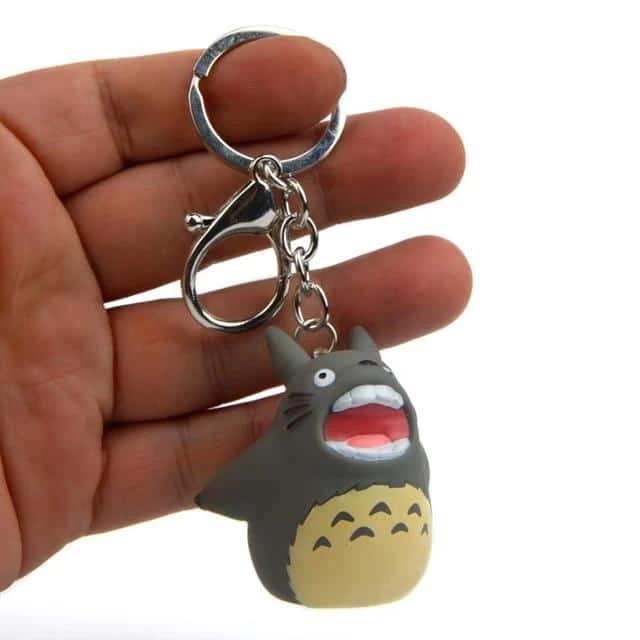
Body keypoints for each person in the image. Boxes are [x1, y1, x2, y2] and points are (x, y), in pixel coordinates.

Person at [0, 36, 471, 591]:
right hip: (297, 566)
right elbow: (237, 486)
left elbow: (235, 488)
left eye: (375, 369)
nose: (367, 381)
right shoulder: (298, 434)